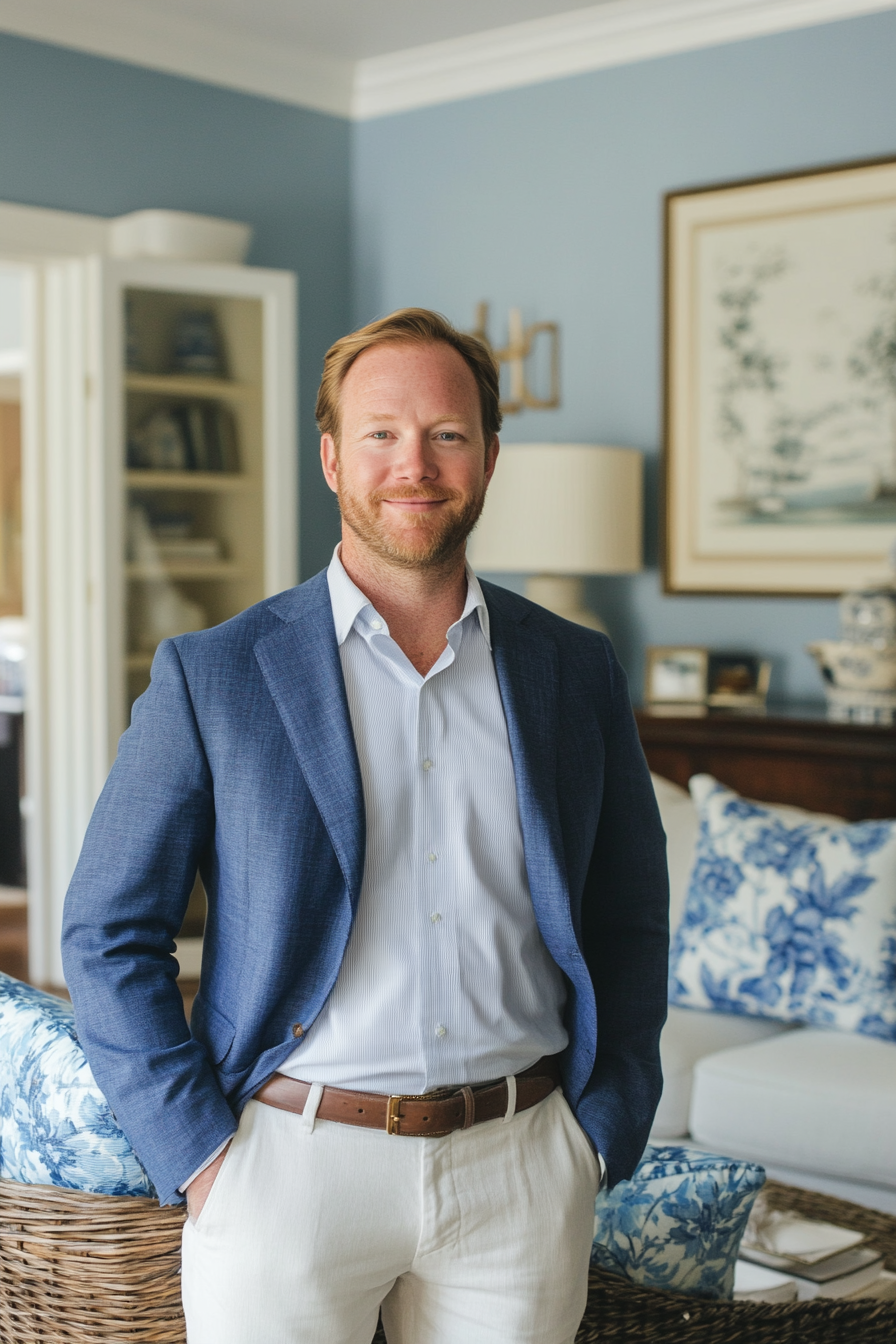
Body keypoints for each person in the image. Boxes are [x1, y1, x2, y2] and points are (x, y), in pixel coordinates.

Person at [62, 308, 669, 1344]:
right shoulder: (212, 675)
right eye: (382, 432)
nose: (414, 464)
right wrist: (202, 1155)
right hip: (285, 1169)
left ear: (485, 455)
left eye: (446, 433)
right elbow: (105, 931)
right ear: (332, 456)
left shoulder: (574, 668)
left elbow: (627, 917)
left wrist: (598, 1134)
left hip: (521, 1168)